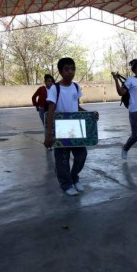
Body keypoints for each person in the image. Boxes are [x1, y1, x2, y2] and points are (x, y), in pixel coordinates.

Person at [44, 58, 99, 196]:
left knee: (81, 155)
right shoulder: (55, 89)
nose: (70, 72)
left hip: (75, 127)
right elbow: (50, 112)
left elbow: (76, 107)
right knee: (62, 159)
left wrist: (90, 114)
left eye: (72, 69)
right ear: (61, 71)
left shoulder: (75, 87)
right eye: (67, 69)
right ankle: (66, 185)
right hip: (61, 127)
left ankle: (74, 177)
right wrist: (49, 134)